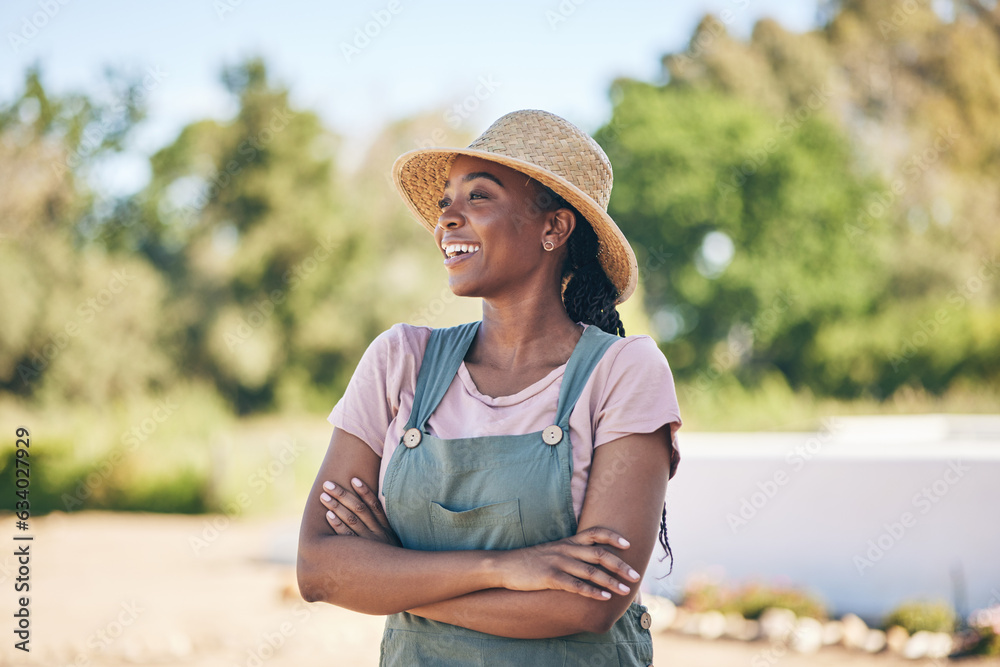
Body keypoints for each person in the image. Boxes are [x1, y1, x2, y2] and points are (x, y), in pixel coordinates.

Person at [297, 109, 682, 665]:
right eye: (444, 202)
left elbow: (592, 603)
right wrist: (504, 569)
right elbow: (318, 571)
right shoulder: (399, 361)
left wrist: (395, 575)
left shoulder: (623, 372)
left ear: (554, 228)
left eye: (478, 197)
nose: (447, 219)